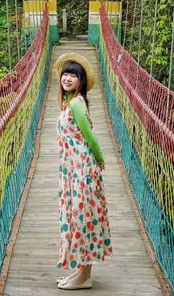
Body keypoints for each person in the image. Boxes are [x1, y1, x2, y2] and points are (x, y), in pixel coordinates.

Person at [55, 52, 112, 290]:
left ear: (81, 81)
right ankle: (81, 271)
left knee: (82, 218)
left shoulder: (77, 104)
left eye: (73, 75)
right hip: (73, 169)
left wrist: (100, 159)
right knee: (79, 217)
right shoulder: (70, 101)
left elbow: (89, 135)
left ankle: (85, 276)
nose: (67, 78)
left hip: (82, 169)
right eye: (65, 74)